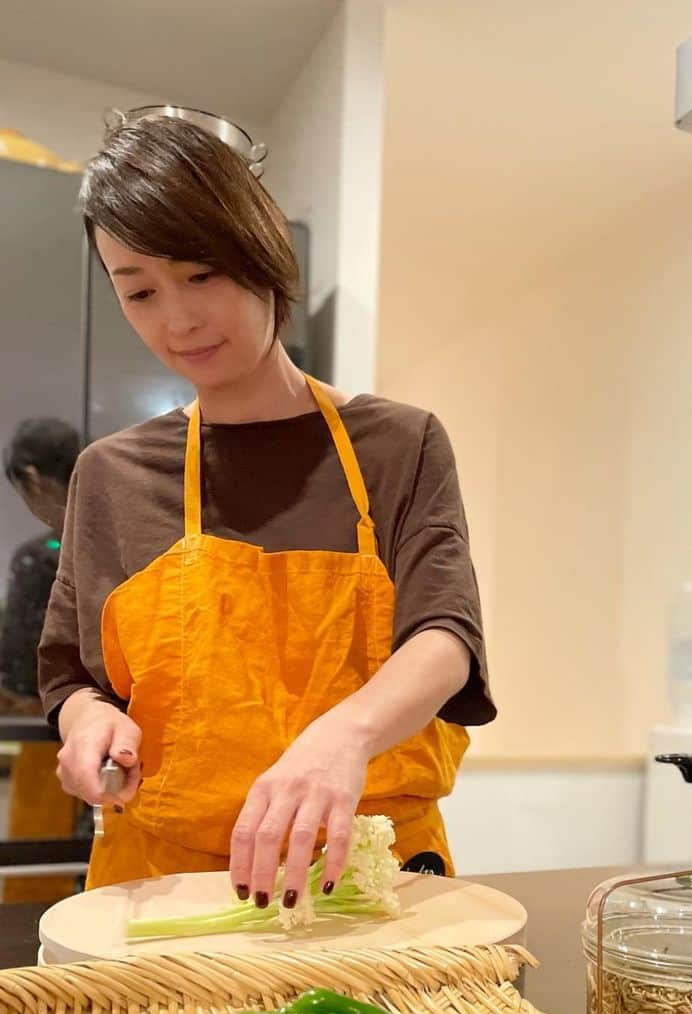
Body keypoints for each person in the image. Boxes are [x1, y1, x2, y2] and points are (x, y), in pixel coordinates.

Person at [39, 111, 494, 903]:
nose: (176, 319)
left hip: (367, 883)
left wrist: (343, 737)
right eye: (139, 291)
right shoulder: (109, 475)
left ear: (262, 251)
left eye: (201, 275)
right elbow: (74, 679)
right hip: (167, 890)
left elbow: (445, 635)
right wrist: (88, 728)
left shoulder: (399, 444)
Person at [1, 418, 83, 902]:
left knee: (40, 853)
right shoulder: (114, 529)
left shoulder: (37, 557)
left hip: (47, 718)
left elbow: (18, 657)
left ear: (32, 476)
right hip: (123, 718)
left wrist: (12, 695)